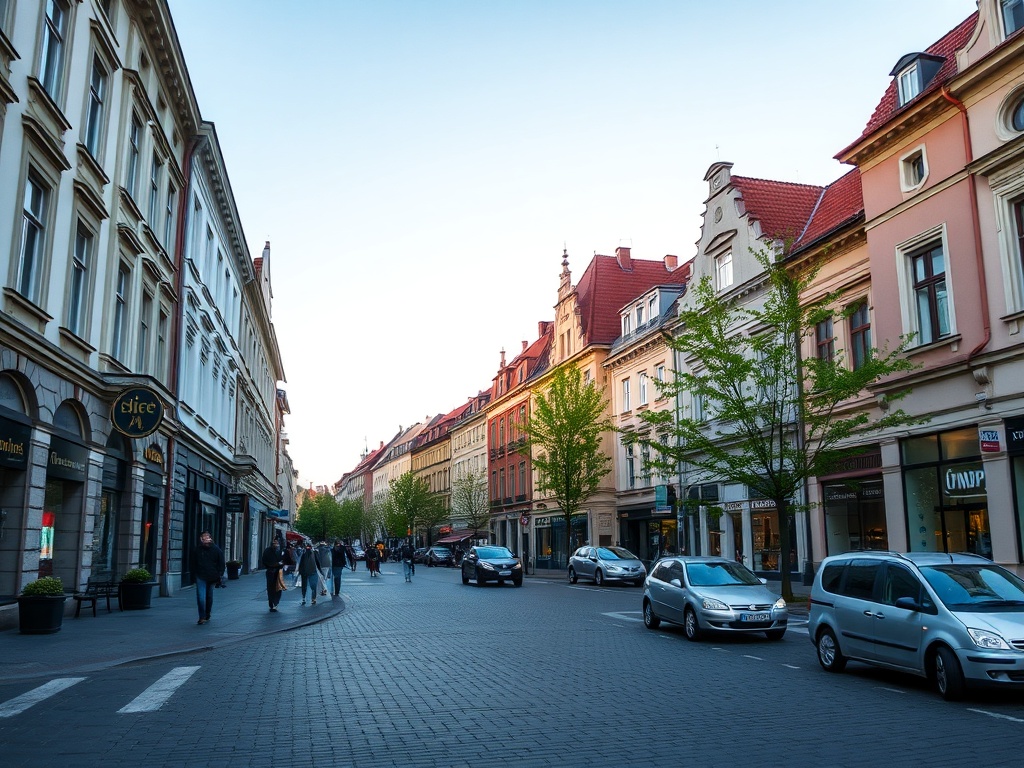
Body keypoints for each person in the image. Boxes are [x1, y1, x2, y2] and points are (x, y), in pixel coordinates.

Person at [190, 531, 225, 625]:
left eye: (206, 537)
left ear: (210, 538)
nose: (205, 539)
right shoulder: (197, 550)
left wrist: (219, 575)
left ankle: (207, 613)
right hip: (200, 576)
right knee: (201, 597)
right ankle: (201, 617)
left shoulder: (216, 549)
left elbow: (221, 563)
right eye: (203, 537)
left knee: (209, 596)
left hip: (212, 576)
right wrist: (193, 575)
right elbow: (193, 563)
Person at [262, 538, 285, 612]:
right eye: (274, 543)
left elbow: (283, 559)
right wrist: (273, 565)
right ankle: (271, 603)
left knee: (278, 588)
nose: (276, 544)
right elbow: (265, 561)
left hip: (278, 571)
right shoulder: (267, 551)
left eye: (277, 543)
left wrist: (281, 564)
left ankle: (276, 602)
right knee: (271, 588)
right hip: (271, 571)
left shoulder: (279, 551)